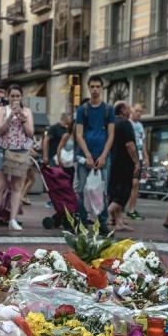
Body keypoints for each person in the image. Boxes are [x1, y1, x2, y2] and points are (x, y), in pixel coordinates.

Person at [0, 85, 33, 232]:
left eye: (18, 96)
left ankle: (13, 219)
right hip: (3, 151)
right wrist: (10, 116)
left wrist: (23, 120)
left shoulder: (27, 111)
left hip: (20, 152)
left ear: (21, 97)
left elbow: (30, 133)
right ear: (8, 97)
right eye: (12, 96)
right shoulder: (2, 110)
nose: (15, 99)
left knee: (17, 187)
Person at [74, 77, 114, 227]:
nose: (95, 89)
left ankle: (102, 224)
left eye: (98, 86)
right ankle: (83, 222)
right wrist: (88, 155)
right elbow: (79, 134)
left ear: (102, 88)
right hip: (85, 156)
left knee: (103, 190)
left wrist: (103, 155)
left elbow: (111, 135)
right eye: (92, 86)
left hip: (103, 156)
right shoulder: (82, 110)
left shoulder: (108, 109)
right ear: (88, 88)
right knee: (82, 190)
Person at [108, 102, 139, 232]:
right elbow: (130, 145)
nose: (130, 110)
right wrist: (137, 162)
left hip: (112, 162)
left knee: (115, 191)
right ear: (122, 110)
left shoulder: (111, 123)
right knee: (123, 193)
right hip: (124, 163)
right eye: (128, 108)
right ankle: (106, 213)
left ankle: (119, 222)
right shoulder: (125, 123)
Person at [126, 102, 148, 221]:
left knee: (135, 184)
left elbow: (143, 142)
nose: (139, 114)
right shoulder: (127, 123)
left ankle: (132, 209)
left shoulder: (140, 126)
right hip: (128, 156)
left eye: (141, 112)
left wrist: (146, 157)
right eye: (137, 111)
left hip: (138, 156)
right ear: (131, 111)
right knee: (126, 184)